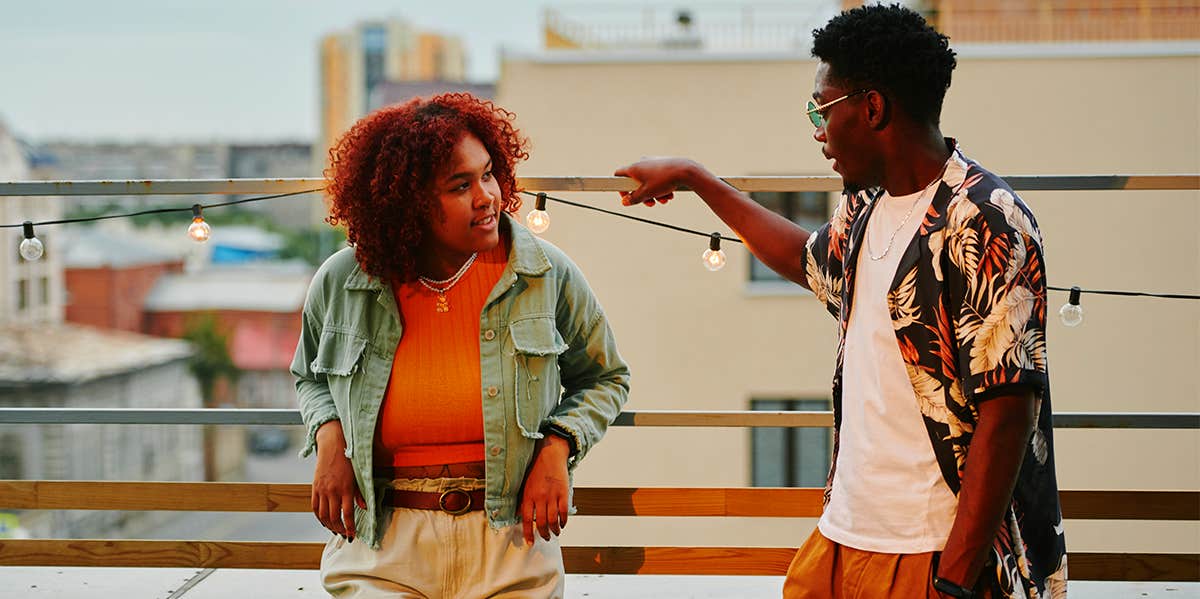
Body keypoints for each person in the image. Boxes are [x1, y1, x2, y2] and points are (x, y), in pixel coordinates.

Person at [614, 4, 1066, 599]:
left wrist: (954, 580)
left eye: (821, 109)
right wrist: (699, 179)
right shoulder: (866, 206)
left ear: (872, 108)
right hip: (841, 538)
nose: (817, 131)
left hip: (930, 553)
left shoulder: (983, 219)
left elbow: (1007, 416)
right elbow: (807, 258)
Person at [292, 93, 630, 598]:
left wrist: (559, 447)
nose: (487, 197)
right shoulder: (344, 280)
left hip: (510, 538)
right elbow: (311, 376)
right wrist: (329, 438)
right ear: (407, 202)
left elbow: (606, 377)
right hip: (380, 541)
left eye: (489, 173)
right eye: (460, 185)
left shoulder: (544, 273)